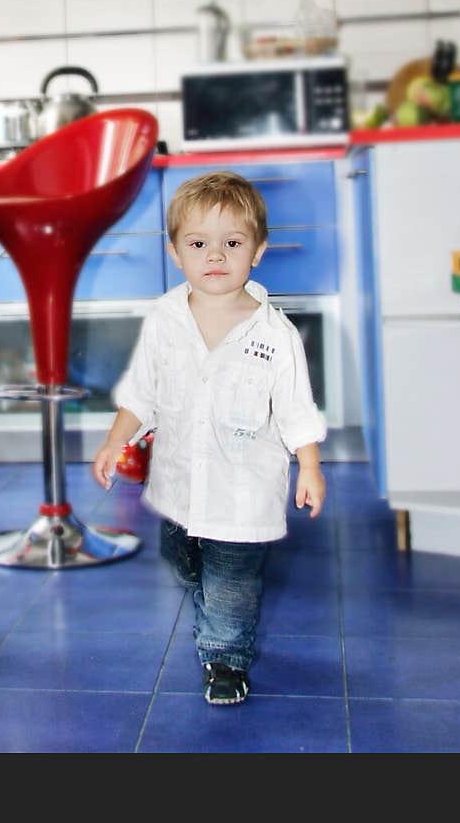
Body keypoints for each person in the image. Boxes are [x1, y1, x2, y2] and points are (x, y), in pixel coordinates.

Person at [92, 171, 326, 705]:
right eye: (199, 244)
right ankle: (210, 601)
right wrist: (115, 442)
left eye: (233, 243)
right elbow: (142, 391)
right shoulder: (166, 319)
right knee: (181, 556)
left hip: (244, 491)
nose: (215, 256)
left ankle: (225, 659)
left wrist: (309, 466)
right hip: (180, 484)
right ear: (176, 252)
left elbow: (295, 408)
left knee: (232, 582)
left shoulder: (275, 335)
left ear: (258, 251)